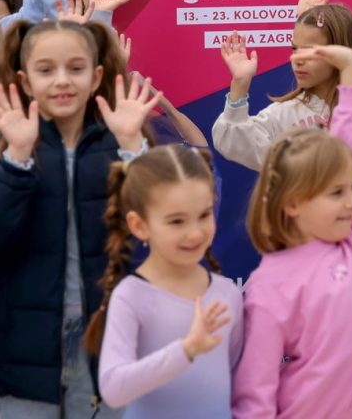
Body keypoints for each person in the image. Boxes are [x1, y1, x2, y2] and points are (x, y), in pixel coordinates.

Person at [0, 20, 157, 417]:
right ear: (24, 79)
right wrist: (16, 158)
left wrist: (131, 149)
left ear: (96, 75)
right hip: (24, 346)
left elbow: (154, 229)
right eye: (46, 69)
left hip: (107, 341)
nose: (61, 81)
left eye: (75, 68)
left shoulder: (119, 139)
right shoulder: (2, 140)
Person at [232, 46, 352, 418]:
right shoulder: (269, 285)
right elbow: (254, 390)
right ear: (292, 202)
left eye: (349, 189)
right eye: (336, 193)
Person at [86, 145, 242, 418]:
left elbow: (237, 375)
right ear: (139, 225)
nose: (194, 233)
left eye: (204, 215)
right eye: (176, 221)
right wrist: (186, 349)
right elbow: (113, 388)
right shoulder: (131, 296)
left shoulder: (227, 293)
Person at [211, 3, 352, 183]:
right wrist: (240, 84)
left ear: (342, 51)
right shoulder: (283, 113)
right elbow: (233, 142)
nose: (297, 59)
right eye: (294, 49)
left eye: (310, 51)